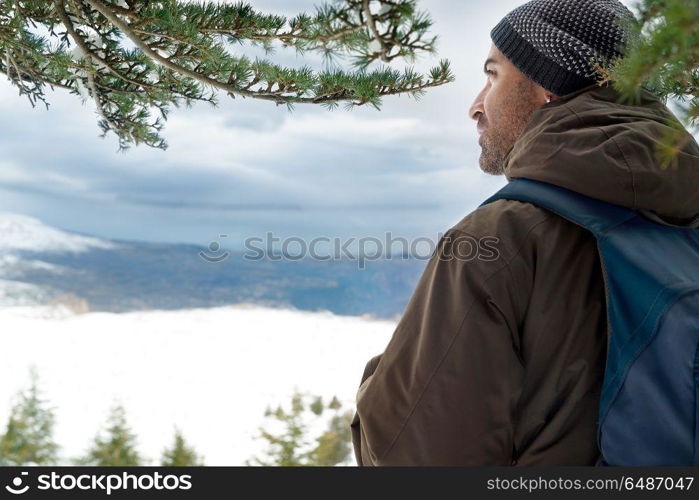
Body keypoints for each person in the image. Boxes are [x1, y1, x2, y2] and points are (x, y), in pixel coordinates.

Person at [350, 0, 699, 466]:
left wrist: (385, 378)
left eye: (493, 75)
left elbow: (414, 455)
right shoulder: (687, 216)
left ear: (546, 87)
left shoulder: (499, 237)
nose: (476, 105)